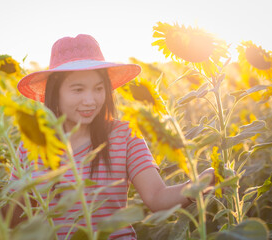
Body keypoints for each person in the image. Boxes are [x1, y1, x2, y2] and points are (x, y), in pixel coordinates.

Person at [12, 34, 214, 239]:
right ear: (56, 92)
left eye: (99, 89)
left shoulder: (125, 135)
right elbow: (16, 218)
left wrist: (201, 184)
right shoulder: (30, 147)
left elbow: (157, 198)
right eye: (78, 90)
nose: (90, 100)